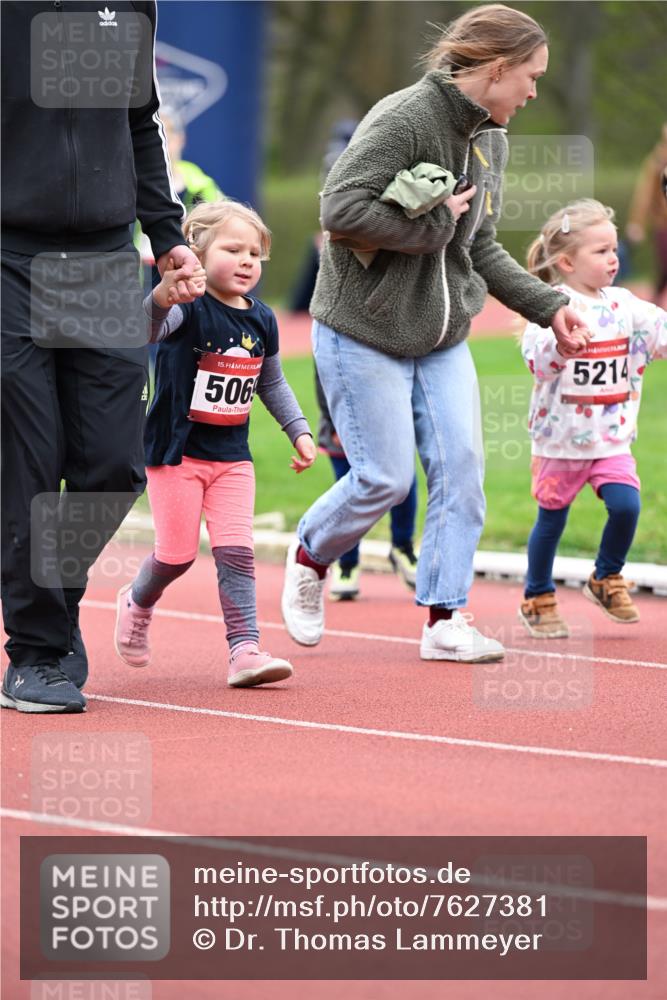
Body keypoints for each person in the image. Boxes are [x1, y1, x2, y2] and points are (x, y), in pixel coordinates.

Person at [280, 3, 590, 664]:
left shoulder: (492, 140)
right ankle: (310, 553)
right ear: (497, 68)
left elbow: (476, 247)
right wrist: (430, 226)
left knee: (461, 470)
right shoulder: (403, 118)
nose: (534, 91)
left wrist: (547, 304)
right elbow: (338, 210)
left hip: (443, 337)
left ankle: (444, 618)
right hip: (364, 328)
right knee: (384, 479)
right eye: (529, 76)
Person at [1, 1, 203, 714]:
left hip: (104, 259)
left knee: (114, 463)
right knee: (28, 458)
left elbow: (138, 120)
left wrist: (166, 231)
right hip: (8, 256)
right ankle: (37, 651)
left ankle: (48, 604)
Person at [114, 200, 317, 688]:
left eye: (256, 253)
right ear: (198, 252)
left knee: (236, 553)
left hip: (231, 459)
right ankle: (137, 601)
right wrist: (162, 296)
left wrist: (300, 430)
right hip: (175, 454)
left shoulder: (263, 320)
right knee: (177, 556)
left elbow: (272, 384)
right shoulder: (187, 309)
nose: (247, 260)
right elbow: (142, 330)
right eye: (234, 249)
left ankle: (244, 650)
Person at [518, 199, 667, 637]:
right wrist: (562, 346)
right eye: (600, 251)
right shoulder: (549, 306)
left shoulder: (626, 306)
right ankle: (538, 595)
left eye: (614, 249)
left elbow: (660, 332)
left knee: (626, 506)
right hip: (559, 440)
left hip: (611, 440)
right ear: (566, 261)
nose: (613, 258)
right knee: (552, 519)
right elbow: (536, 360)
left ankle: (606, 576)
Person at [314, 368, 418, 599]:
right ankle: (347, 563)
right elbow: (323, 370)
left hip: (389, 415)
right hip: (344, 416)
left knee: (403, 479)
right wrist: (334, 422)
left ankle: (403, 546)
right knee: (349, 488)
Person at [626, 123, 667, 306]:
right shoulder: (657, 162)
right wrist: (637, 223)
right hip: (663, 223)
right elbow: (644, 195)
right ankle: (656, 306)